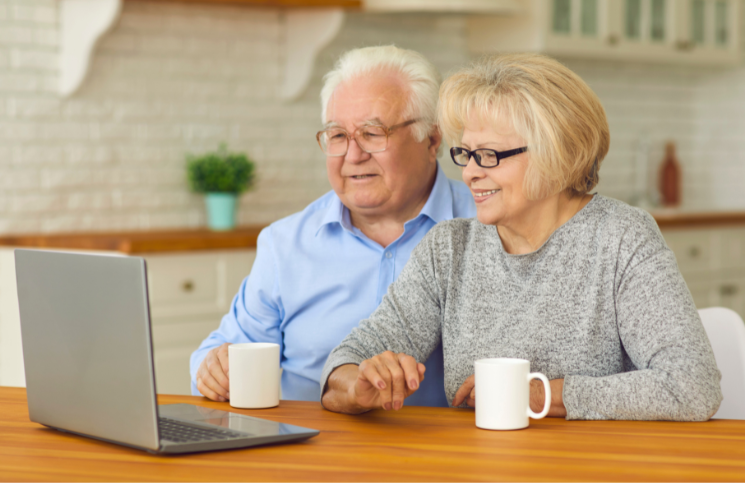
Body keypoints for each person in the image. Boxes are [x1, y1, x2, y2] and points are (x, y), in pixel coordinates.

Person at [320, 53, 723, 420]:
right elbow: (348, 359)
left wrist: (538, 394)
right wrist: (359, 385)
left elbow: (692, 385)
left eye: (490, 155)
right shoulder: (449, 249)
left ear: (556, 154)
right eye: (466, 153)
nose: (472, 172)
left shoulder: (620, 238)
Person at [190, 45, 476, 407]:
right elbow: (220, 351)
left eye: (373, 133)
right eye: (338, 136)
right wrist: (214, 368)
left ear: (431, 139)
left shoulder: (487, 228)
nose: (353, 156)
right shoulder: (285, 244)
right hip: (309, 453)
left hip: (443, 458)